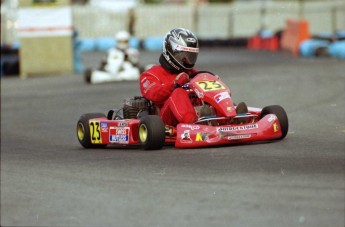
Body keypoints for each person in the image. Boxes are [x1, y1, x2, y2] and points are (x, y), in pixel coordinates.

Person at [139, 28, 199, 126]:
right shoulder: (150, 74)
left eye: (191, 57)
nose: (188, 61)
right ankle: (193, 124)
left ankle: (226, 118)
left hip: (196, 112)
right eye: (183, 57)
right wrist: (174, 85)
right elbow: (154, 94)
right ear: (171, 52)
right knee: (178, 92)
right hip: (164, 121)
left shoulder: (192, 73)